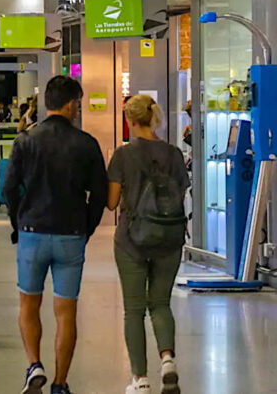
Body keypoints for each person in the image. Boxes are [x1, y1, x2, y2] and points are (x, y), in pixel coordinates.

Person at [3, 76, 108, 394]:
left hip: (32, 232)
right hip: (70, 234)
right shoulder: (86, 144)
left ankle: (34, 364)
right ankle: (60, 383)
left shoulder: (25, 140)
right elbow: (100, 195)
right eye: (79, 101)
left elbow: (9, 190)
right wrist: (86, 229)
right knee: (66, 311)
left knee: (28, 303)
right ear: (71, 103)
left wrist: (17, 222)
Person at [106, 95, 187, 394]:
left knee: (134, 310)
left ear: (129, 121)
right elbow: (180, 197)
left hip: (132, 240)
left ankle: (140, 379)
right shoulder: (174, 154)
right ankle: (167, 360)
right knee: (162, 303)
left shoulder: (123, 156)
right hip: (169, 239)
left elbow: (112, 203)